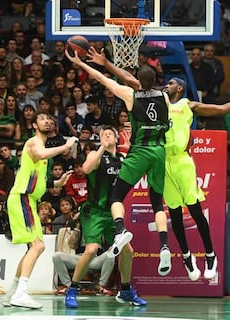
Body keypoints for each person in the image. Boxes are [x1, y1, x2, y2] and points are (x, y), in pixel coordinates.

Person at [86, 47, 230, 281]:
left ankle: (210, 255)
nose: (167, 85)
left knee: (194, 210)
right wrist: (106, 63)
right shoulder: (155, 97)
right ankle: (186, 256)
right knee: (173, 213)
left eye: (171, 83)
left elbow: (222, 109)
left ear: (179, 88)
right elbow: (130, 79)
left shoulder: (186, 105)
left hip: (182, 162)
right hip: (162, 160)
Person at [66, 48, 172, 277]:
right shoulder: (164, 96)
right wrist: (107, 62)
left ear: (138, 82)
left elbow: (103, 79)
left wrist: (86, 64)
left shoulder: (130, 95)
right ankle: (165, 245)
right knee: (157, 203)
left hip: (141, 151)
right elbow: (135, 79)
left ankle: (121, 229)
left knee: (116, 197)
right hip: (159, 152)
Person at [64, 127, 146, 308]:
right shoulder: (96, 154)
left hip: (113, 212)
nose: (107, 135)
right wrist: (102, 147)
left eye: (110, 134)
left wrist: (131, 145)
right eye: (103, 134)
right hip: (94, 211)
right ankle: (72, 289)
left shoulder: (123, 159)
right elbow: (86, 168)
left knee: (128, 252)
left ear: (117, 139)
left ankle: (125, 291)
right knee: (92, 249)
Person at [3, 111, 78, 309]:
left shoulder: (41, 148)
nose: (47, 121)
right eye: (42, 119)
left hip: (28, 200)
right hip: (22, 198)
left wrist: (57, 182)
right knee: (37, 246)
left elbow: (39, 180)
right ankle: (21, 293)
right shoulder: (34, 142)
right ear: (35, 125)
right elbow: (41, 154)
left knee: (34, 247)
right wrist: (67, 146)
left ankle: (13, 292)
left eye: (50, 120)